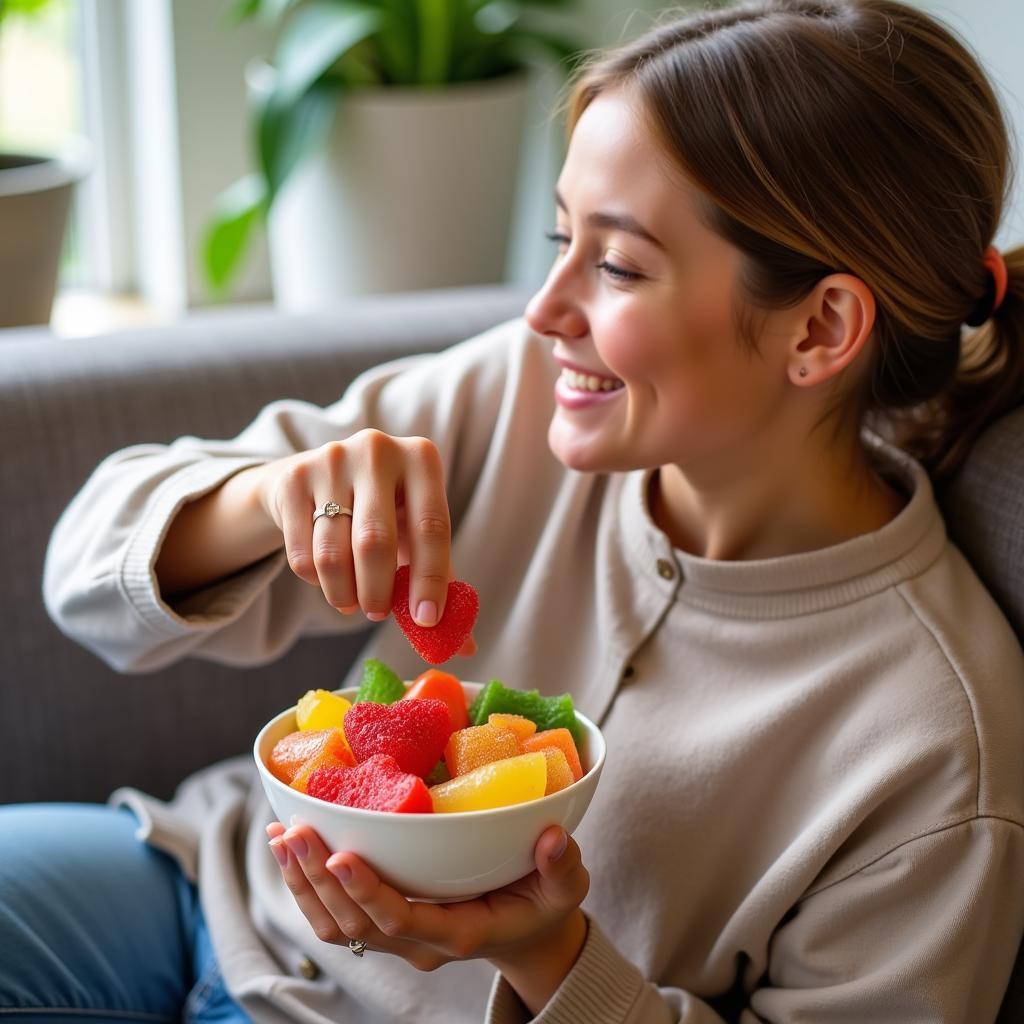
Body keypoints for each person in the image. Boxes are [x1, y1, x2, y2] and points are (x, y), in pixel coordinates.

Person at [10, 0, 1024, 1020]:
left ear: (821, 326)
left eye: (618, 264)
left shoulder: (936, 744)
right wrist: (269, 498)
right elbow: (80, 585)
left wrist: (550, 956)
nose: (542, 309)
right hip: (207, 888)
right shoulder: (515, 394)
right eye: (559, 236)